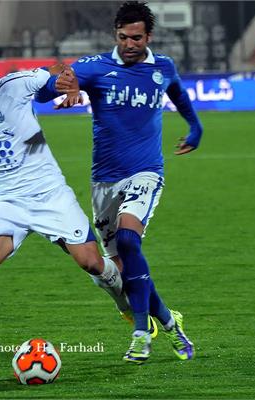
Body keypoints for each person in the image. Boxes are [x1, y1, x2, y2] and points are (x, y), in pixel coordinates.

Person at [0, 53, 132, 372]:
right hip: (7, 202)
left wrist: (70, 85)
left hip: (49, 195)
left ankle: (127, 305)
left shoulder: (15, 86)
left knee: (91, 263)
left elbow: (57, 71)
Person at [36, 0, 202, 364]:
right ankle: (171, 325)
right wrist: (65, 84)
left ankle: (141, 333)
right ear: (116, 34)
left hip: (146, 172)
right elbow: (49, 82)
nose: (130, 44)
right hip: (104, 182)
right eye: (124, 37)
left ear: (149, 36)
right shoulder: (96, 68)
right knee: (127, 271)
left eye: (137, 38)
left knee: (129, 238)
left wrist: (195, 125)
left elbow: (176, 92)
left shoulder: (162, 67)